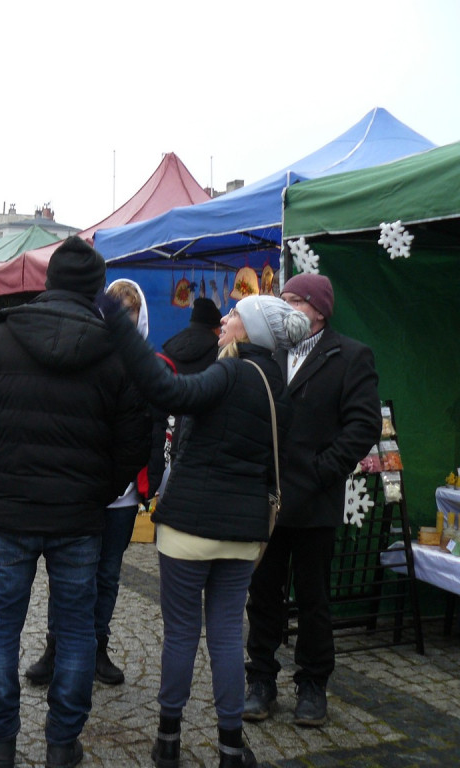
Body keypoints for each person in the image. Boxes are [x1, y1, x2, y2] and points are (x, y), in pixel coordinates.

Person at [0, 236, 151, 768]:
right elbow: (136, 441)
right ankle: (62, 742)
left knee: (2, 624)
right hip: (79, 516)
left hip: (15, 512)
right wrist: (100, 489)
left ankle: (3, 740)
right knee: (77, 626)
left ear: (48, 281)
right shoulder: (115, 350)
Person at [101, 291, 310, 768]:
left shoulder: (231, 372)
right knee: (225, 636)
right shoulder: (278, 386)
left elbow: (169, 392)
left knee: (180, 635)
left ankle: (169, 741)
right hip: (242, 534)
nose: (226, 317)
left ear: (251, 331)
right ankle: (231, 746)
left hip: (189, 528)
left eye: (235, 314)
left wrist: (123, 332)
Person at [244, 273, 381, 728]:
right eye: (281, 301)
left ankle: (312, 685)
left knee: (314, 598)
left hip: (314, 501)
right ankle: (260, 680)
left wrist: (322, 471)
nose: (284, 310)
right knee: (262, 596)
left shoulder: (351, 356)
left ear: (319, 309)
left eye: (293, 302)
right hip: (267, 501)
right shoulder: (270, 352)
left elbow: (362, 427)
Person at [24, 278, 151, 690]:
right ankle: (56, 646)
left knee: (108, 574)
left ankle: (97, 646)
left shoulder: (147, 365)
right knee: (67, 573)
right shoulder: (85, 353)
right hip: (81, 488)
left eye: (130, 317)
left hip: (123, 494)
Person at [145, 297, 223, 497]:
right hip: (203, 442)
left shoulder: (169, 349)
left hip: (164, 439)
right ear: (216, 328)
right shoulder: (221, 355)